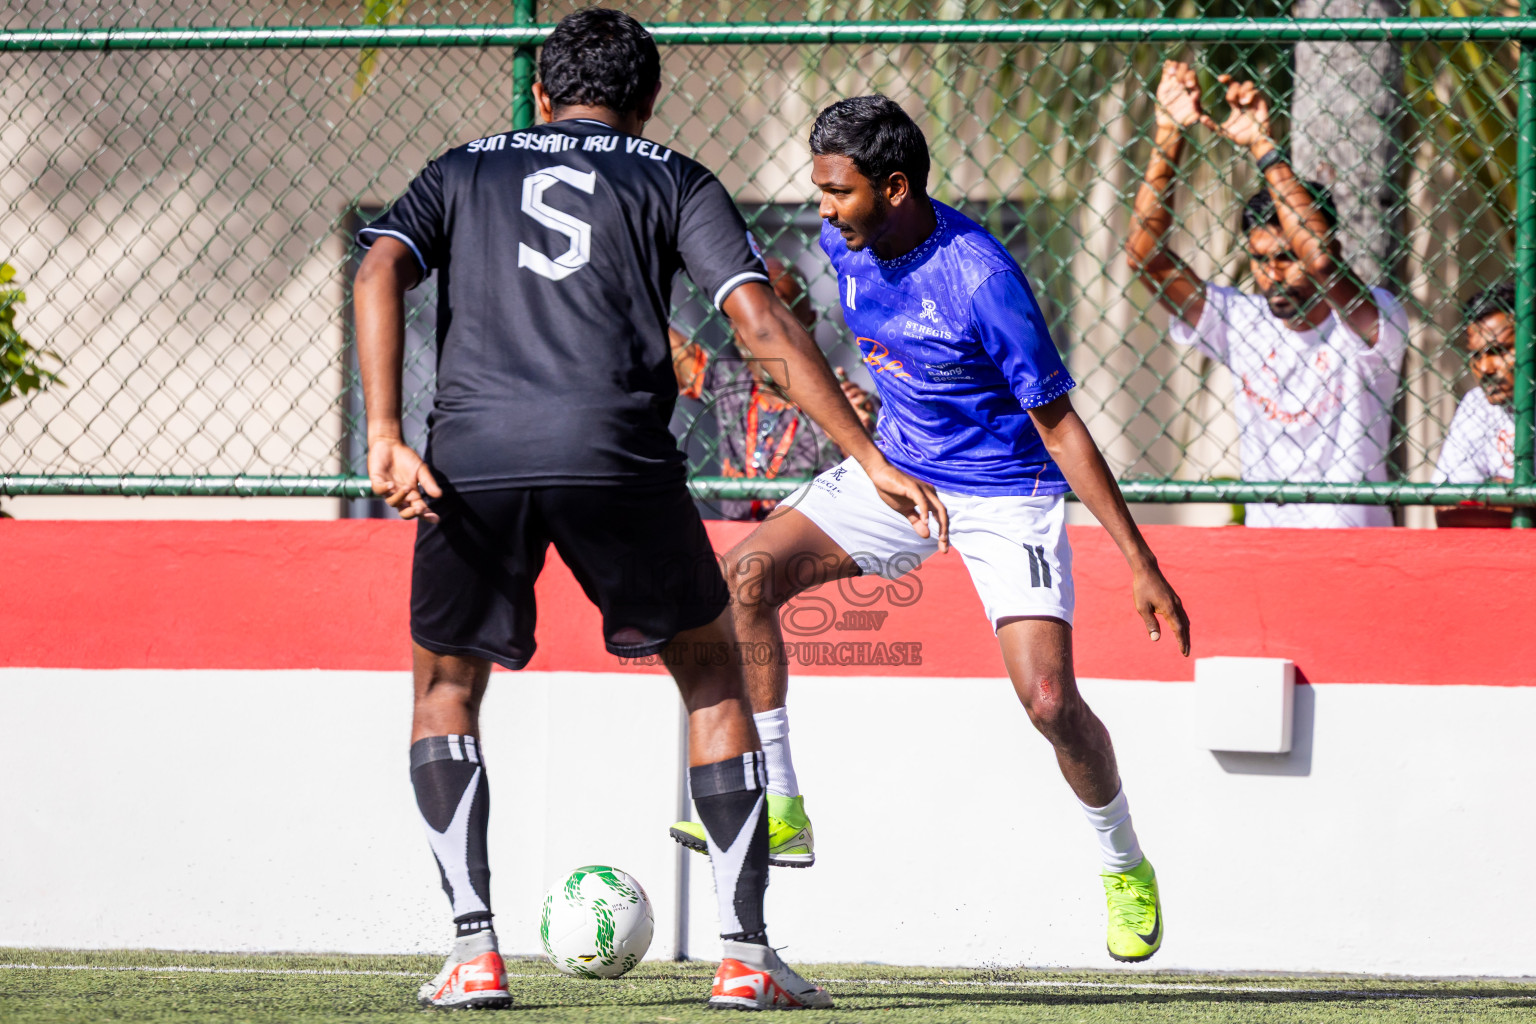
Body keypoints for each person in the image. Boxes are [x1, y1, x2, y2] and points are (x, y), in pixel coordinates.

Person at [353, 11, 943, 1011]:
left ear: (541, 95)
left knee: (445, 687)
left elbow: (378, 269)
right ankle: (746, 956)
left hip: (474, 453)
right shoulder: (671, 175)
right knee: (713, 675)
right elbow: (758, 324)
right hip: (614, 450)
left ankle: (474, 952)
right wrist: (868, 454)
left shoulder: (458, 168)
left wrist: (382, 430)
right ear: (648, 103)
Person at [672, 95, 1191, 963]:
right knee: (746, 579)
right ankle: (781, 803)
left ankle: (1123, 861)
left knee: (1051, 704)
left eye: (837, 192)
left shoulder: (984, 281)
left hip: (1004, 496)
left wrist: (1140, 561)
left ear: (897, 186)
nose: (825, 211)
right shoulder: (847, 244)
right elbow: (809, 337)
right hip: (899, 471)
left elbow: (1061, 426)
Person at [1125, 61, 1408, 528]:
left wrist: (1262, 145)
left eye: (1284, 257)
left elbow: (1318, 259)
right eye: (1259, 260)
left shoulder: (1373, 319)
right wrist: (1169, 135)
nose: (1272, 274)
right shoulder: (1240, 319)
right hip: (1268, 549)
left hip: (1354, 550)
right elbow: (1146, 259)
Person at [671, 249, 879, 521]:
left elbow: (872, 489)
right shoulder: (731, 383)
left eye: (781, 316)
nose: (763, 331)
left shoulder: (839, 400)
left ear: (809, 323)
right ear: (734, 328)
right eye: (748, 317)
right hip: (739, 544)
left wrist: (858, 432)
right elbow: (663, 344)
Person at [1433, 282, 1518, 528]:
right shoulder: (1477, 404)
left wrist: (1490, 494)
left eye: (1500, 351)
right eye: (1476, 355)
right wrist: (1518, 496)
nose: (1484, 369)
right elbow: (1447, 509)